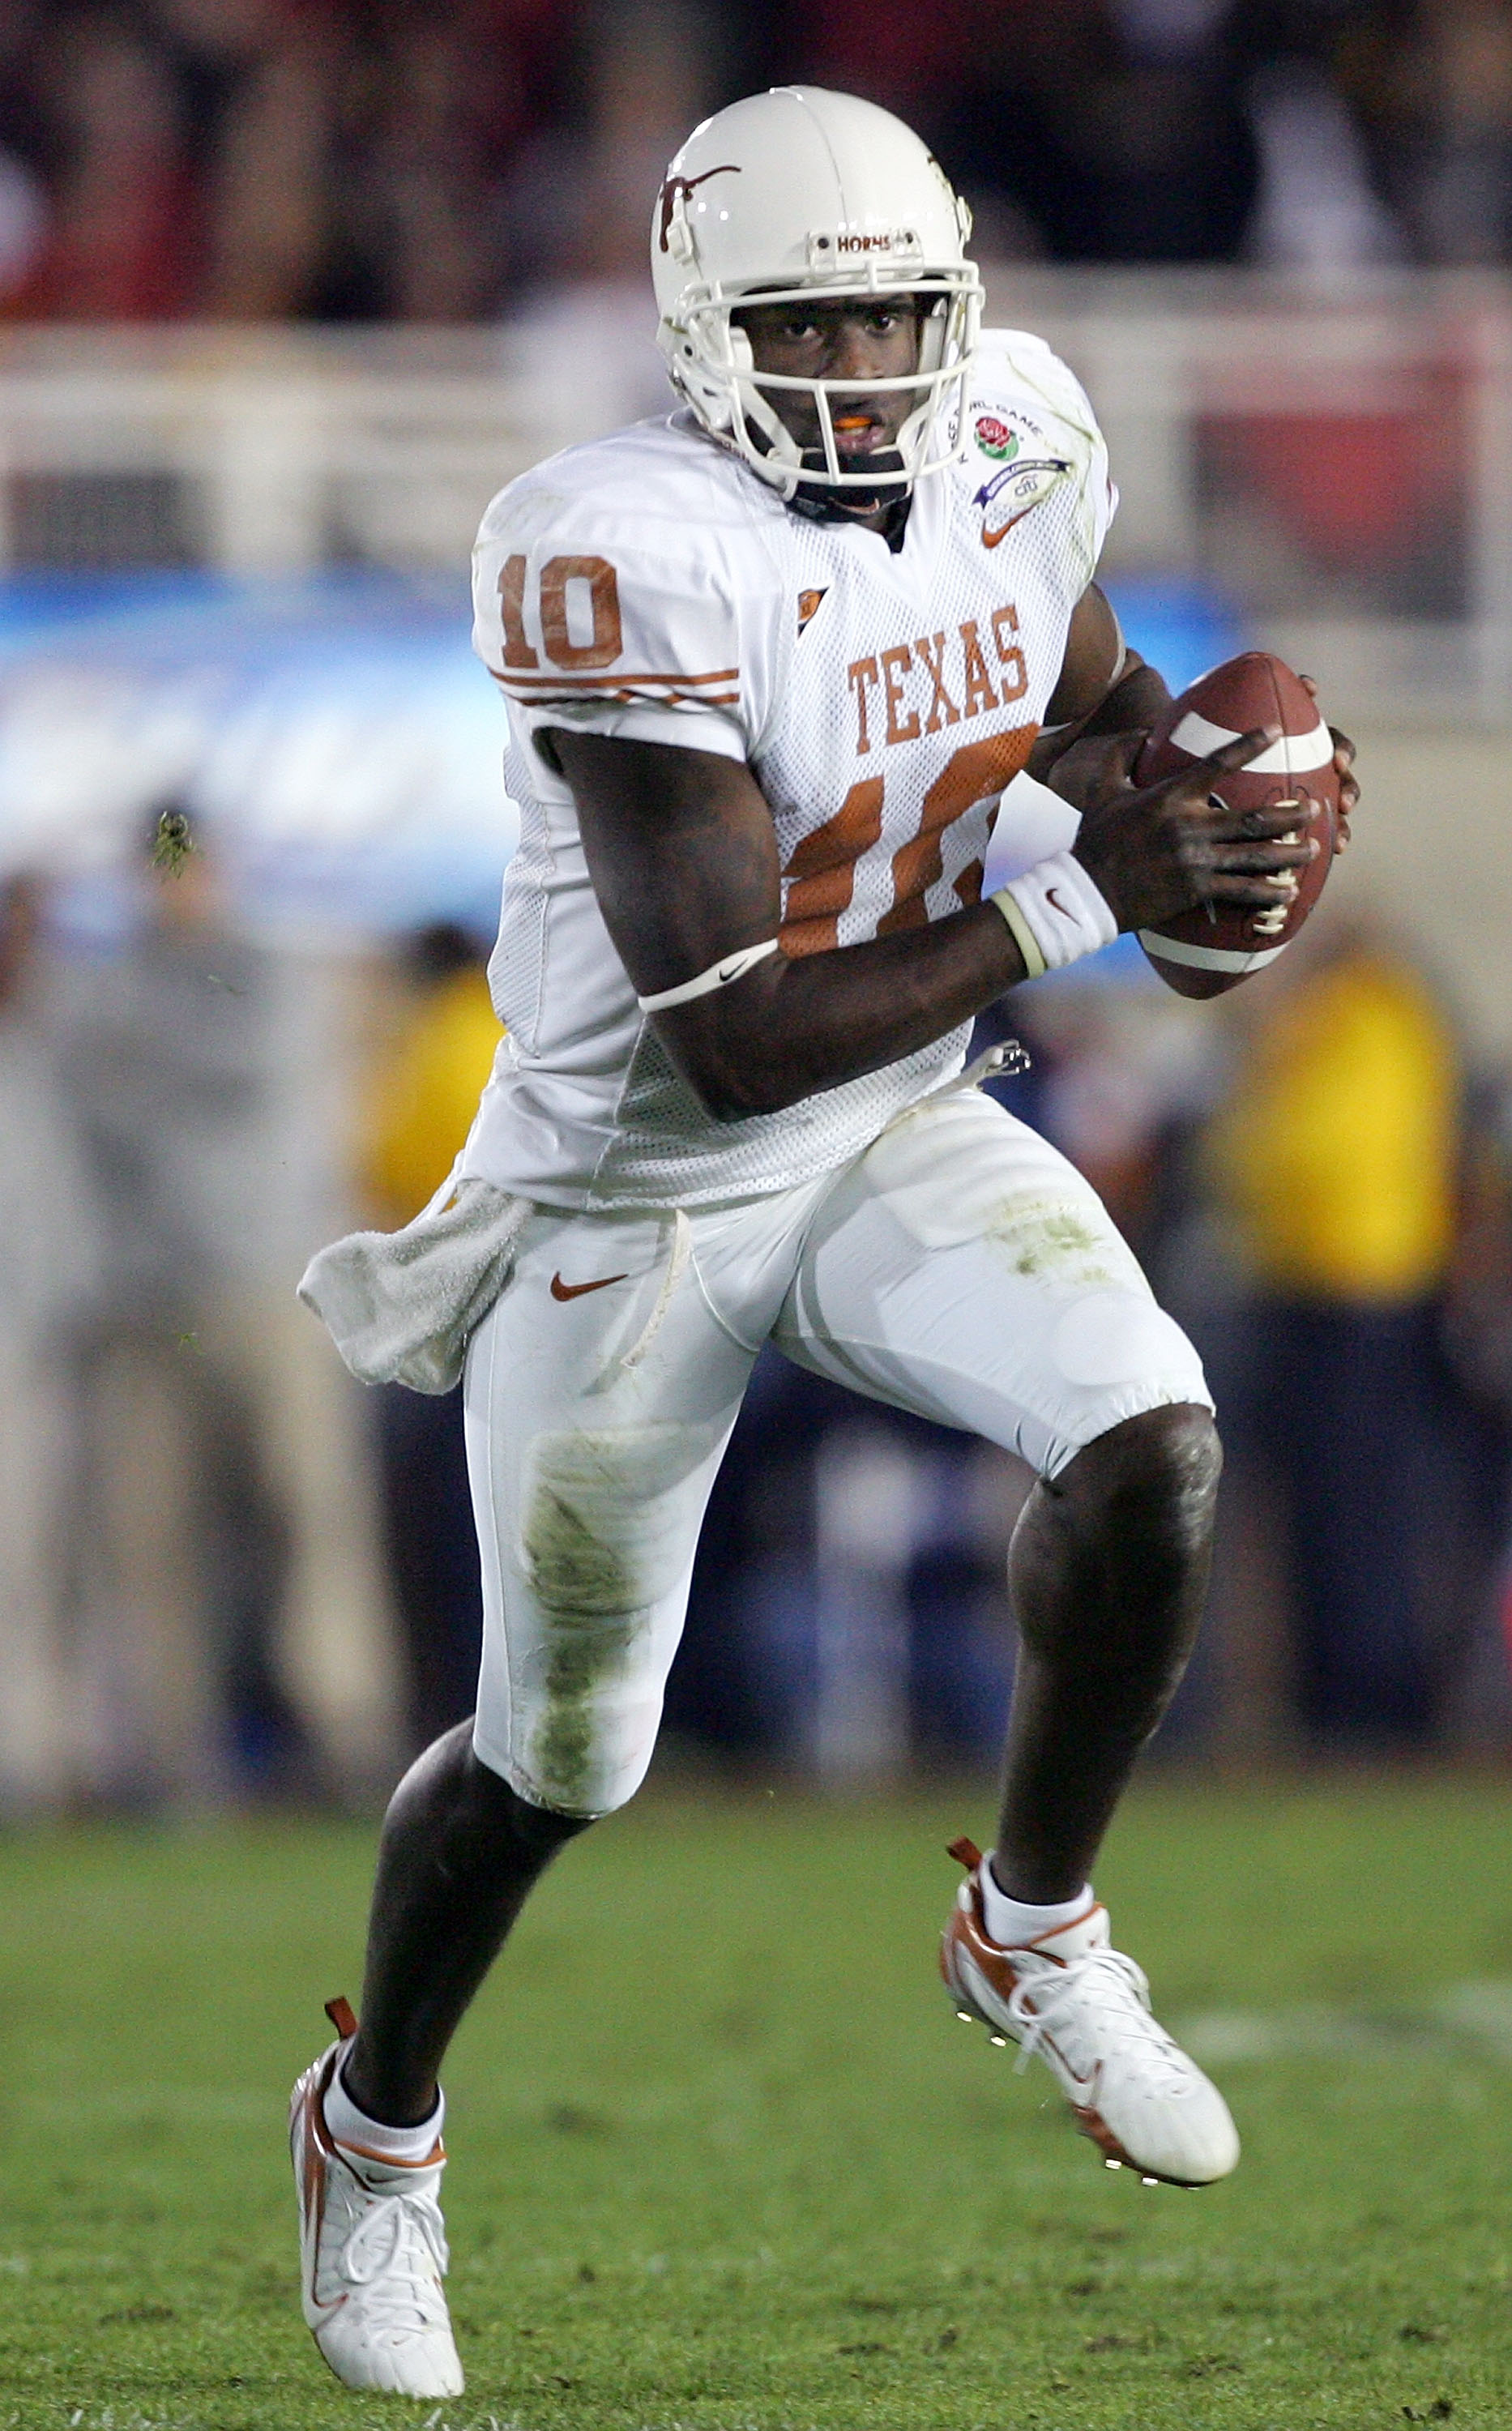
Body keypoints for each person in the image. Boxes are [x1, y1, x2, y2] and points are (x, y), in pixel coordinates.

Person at [291, 86, 1356, 2398]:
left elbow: (1083, 698)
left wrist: (1202, 797)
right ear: (704, 329)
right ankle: (375, 2136)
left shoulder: (1017, 443)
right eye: (811, 322)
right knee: (560, 1755)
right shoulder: (620, 547)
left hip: (895, 1121)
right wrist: (1088, 898)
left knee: (1152, 1449)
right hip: (641, 1183)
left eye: (895, 316)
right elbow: (732, 1034)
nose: (866, 363)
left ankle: (1032, 1926)